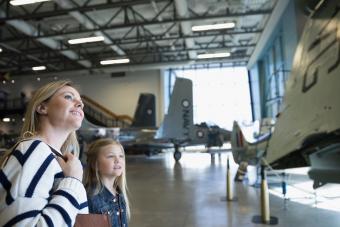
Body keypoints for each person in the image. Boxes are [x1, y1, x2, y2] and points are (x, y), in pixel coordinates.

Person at [0, 80, 88, 226]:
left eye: (81, 102)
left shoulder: (50, 155)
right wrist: (73, 181)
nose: (80, 104)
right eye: (68, 97)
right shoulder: (34, 150)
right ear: (42, 107)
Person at [84, 138, 130, 227]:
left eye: (121, 156)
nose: (118, 160)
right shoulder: (89, 197)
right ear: (95, 164)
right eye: (111, 156)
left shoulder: (119, 193)